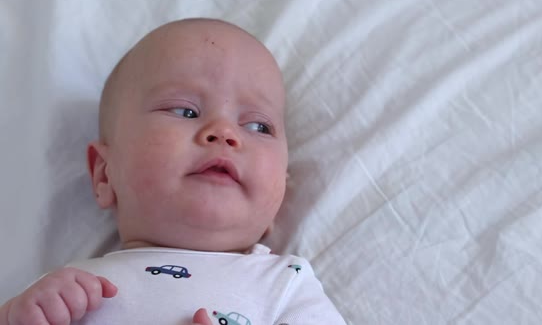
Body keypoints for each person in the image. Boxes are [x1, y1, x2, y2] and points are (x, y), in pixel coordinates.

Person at [0, 18, 345, 325]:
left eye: (258, 126)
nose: (224, 132)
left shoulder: (285, 284)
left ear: (280, 192)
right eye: (185, 111)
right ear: (105, 174)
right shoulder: (64, 294)